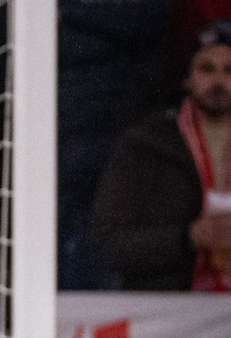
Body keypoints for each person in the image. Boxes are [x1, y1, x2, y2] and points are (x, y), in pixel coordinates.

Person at [56, 0, 170, 289]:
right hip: (48, 123)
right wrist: (111, 18)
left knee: (105, 234)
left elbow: (151, 20)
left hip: (117, 125)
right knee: (51, 229)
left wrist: (70, 10)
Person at [92, 18, 231, 291]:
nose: (218, 81)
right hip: (171, 312)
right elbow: (108, 244)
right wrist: (188, 237)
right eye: (206, 69)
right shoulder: (146, 146)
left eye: (229, 70)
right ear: (187, 79)